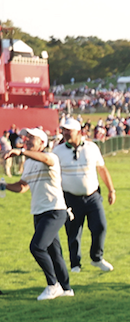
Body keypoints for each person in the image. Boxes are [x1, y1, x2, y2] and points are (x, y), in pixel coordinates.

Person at [2, 128, 75, 300]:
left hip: (54, 210)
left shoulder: (51, 157)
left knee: (37, 247)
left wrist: (20, 152)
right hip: (39, 212)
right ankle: (66, 289)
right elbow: (22, 186)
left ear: (42, 143)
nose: (27, 140)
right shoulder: (29, 164)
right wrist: (4, 185)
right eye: (26, 138)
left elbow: (45, 159)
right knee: (54, 252)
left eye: (31, 138)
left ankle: (53, 285)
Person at [54, 117, 116, 273]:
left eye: (69, 131)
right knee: (73, 231)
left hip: (92, 196)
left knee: (100, 226)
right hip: (70, 197)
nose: (65, 133)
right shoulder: (58, 151)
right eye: (64, 130)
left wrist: (111, 190)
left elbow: (101, 168)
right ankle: (75, 264)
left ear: (78, 132)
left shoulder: (91, 147)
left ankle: (96, 258)